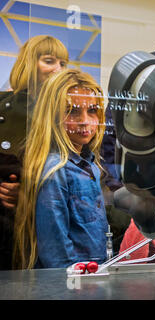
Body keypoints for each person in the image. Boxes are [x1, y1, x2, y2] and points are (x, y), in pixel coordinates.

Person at [12, 69, 108, 269]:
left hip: (92, 278)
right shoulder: (56, 170)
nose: (85, 120)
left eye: (92, 110)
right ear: (52, 116)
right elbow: (56, 256)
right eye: (72, 111)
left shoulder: (89, 164)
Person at [0, 35, 68, 270]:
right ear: (29, 64)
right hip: (8, 225)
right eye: (49, 61)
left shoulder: (65, 114)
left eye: (62, 64)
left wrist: (29, 192)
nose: (58, 69)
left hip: (49, 224)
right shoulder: (4, 107)